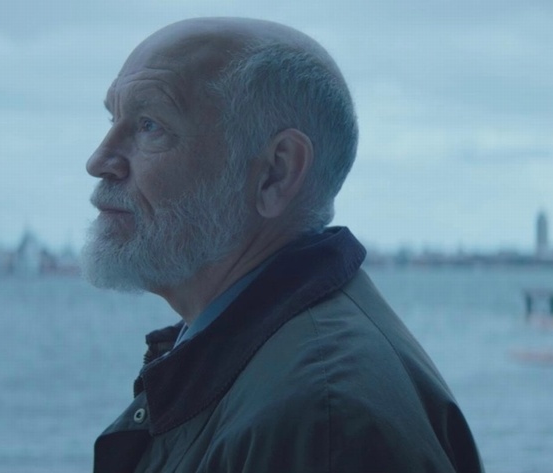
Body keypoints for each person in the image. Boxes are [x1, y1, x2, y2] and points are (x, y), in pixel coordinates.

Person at [82, 17, 483, 473]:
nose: (99, 160)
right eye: (114, 119)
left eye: (149, 125)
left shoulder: (322, 425)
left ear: (276, 172)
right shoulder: (288, 382)